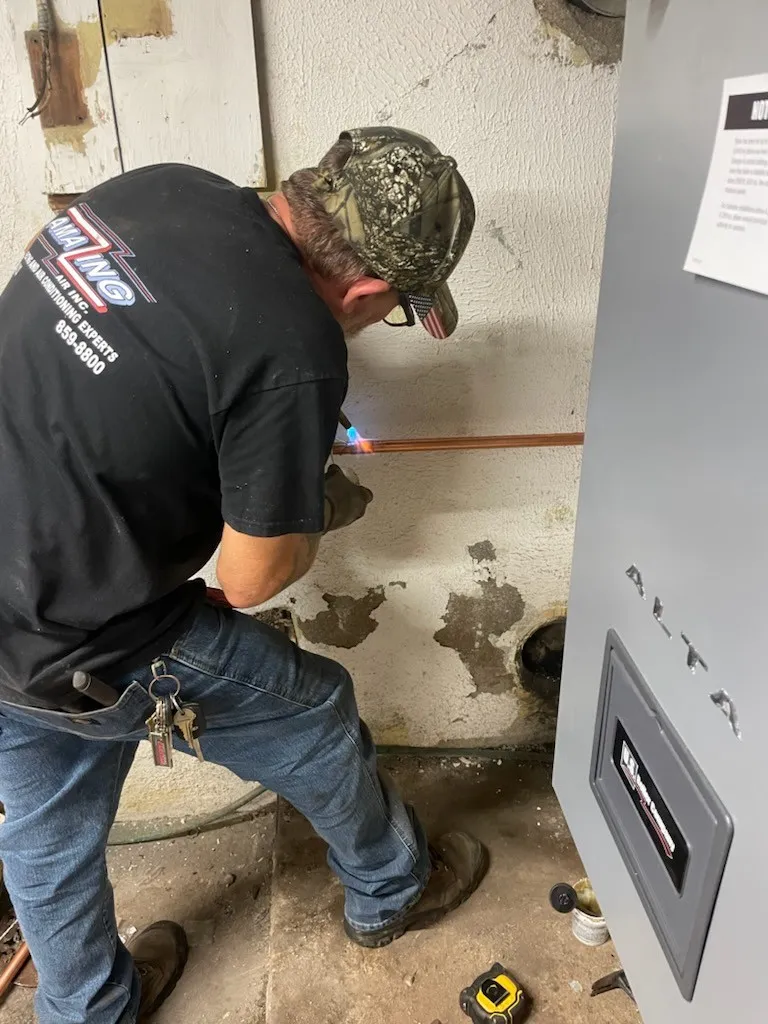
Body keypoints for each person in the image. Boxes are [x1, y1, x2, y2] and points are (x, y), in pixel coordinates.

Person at [0, 127, 486, 1023]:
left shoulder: (164, 182)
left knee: (46, 824)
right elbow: (252, 577)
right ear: (371, 288)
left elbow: (127, 378)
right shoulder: (295, 348)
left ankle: (83, 1010)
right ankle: (392, 888)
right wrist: (305, 507)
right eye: (395, 308)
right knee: (313, 709)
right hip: (90, 633)